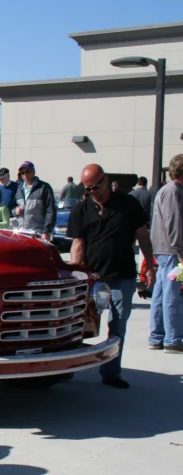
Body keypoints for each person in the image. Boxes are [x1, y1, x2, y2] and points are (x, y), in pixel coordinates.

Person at [67, 163, 155, 389]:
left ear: (105, 180)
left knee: (117, 324)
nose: (92, 192)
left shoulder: (128, 204)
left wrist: (149, 266)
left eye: (95, 187)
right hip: (93, 278)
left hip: (121, 275)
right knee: (77, 323)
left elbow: (143, 237)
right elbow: (78, 244)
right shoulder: (81, 210)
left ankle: (111, 372)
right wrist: (77, 275)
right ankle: (68, 367)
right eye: (87, 189)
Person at [148, 155, 183, 354]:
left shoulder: (168, 190)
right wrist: (181, 252)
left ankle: (158, 336)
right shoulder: (174, 191)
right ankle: (173, 339)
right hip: (171, 251)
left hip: (166, 250)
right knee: (172, 294)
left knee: (162, 292)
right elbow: (174, 224)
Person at [13, 161, 57, 241]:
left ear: (33, 172)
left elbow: (50, 211)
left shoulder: (44, 187)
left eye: (27, 171)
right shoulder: (19, 188)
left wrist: (46, 232)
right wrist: (15, 211)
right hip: (21, 233)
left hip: (38, 233)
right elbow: (12, 208)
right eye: (22, 173)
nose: (25, 174)